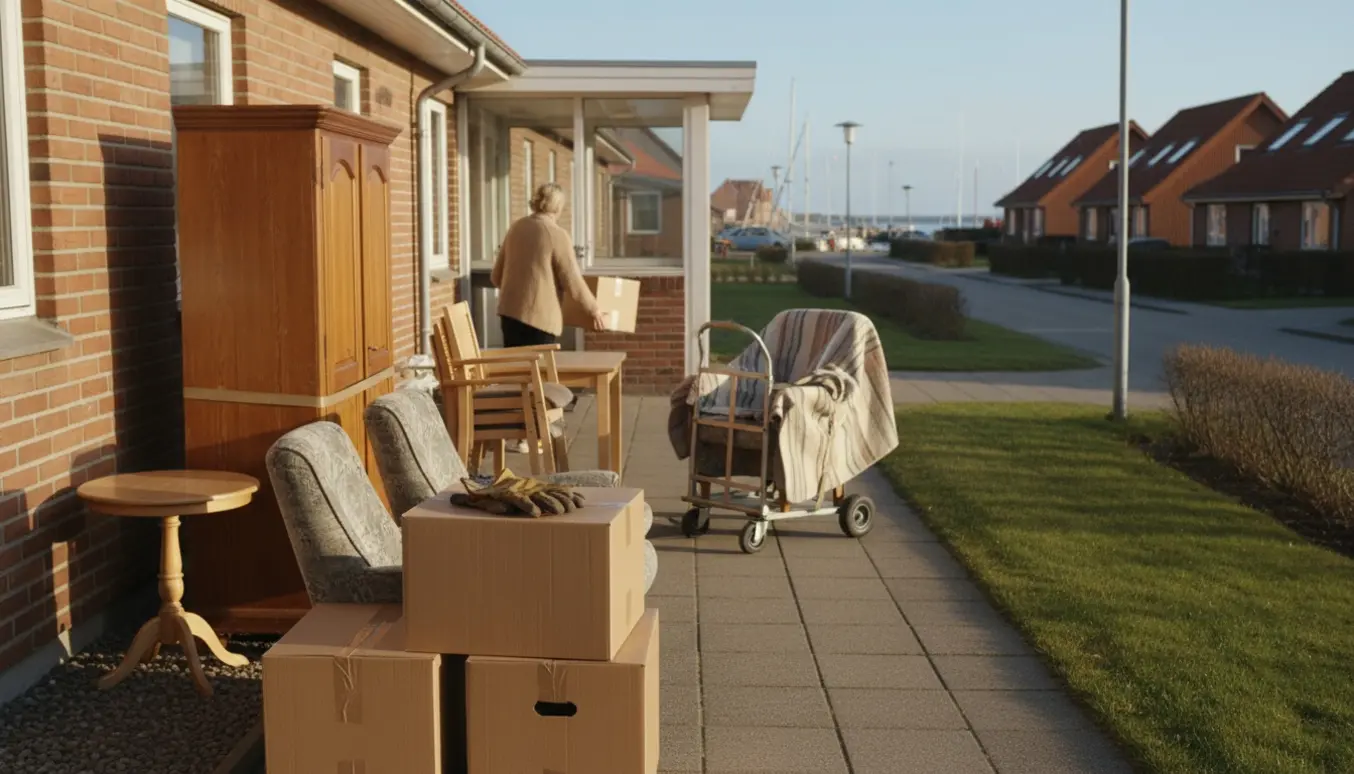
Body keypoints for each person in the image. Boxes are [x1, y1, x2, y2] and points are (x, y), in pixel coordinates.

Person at [491, 182, 609, 347]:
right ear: (558, 206)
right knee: (539, 371)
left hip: (509, 315)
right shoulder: (556, 234)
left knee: (516, 369)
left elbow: (496, 277)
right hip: (540, 320)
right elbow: (573, 281)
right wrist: (594, 310)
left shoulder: (516, 227)